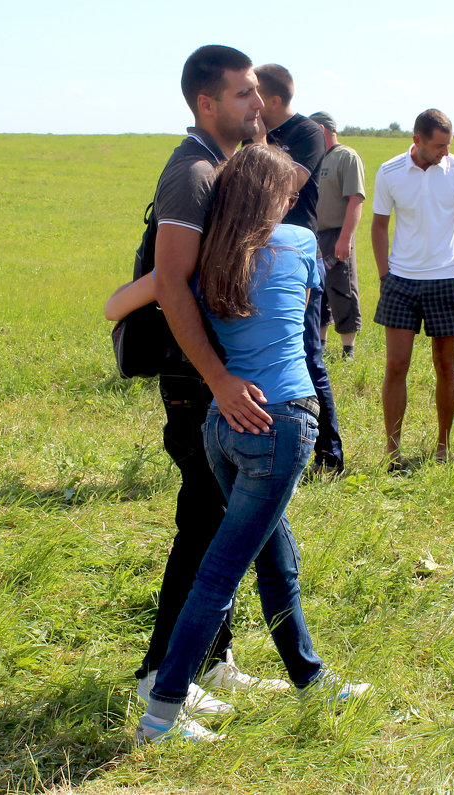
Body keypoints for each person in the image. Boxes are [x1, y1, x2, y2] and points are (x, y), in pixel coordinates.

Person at [137, 144, 370, 743]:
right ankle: (160, 715)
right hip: (281, 423)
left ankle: (311, 679)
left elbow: (120, 302)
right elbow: (312, 348)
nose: (296, 202)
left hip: (221, 427)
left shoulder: (204, 259)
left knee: (276, 559)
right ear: (275, 200)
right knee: (219, 576)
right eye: (290, 195)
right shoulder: (299, 246)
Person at [124, 45, 286, 720]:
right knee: (204, 522)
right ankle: (161, 670)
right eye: (245, 94)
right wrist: (218, 378)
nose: (260, 103)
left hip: (217, 375)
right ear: (207, 103)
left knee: (220, 518)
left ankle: (214, 662)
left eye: (259, 92)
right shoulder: (191, 173)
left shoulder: (223, 165)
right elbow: (169, 285)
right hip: (196, 379)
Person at [370, 109, 454, 469]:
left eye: (448, 145)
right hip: (401, 282)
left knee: (445, 365)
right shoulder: (390, 172)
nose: (445, 152)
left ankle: (443, 448)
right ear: (417, 139)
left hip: (447, 278)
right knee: (396, 365)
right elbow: (378, 226)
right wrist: (384, 274)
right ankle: (393, 453)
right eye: (439, 145)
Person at [254, 64, 344, 477]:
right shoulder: (256, 134)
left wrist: (256, 142)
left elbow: (283, 184)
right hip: (260, 254)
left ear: (273, 100)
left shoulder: (306, 132)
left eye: (255, 95)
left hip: (296, 257)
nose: (250, 103)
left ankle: (329, 456)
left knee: (307, 354)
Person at [309, 111, 365, 361]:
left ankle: (348, 350)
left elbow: (356, 199)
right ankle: (320, 342)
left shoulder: (347, 157)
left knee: (342, 289)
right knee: (317, 290)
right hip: (314, 235)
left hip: (336, 233)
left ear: (321, 129)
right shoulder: (316, 158)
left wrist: (346, 238)